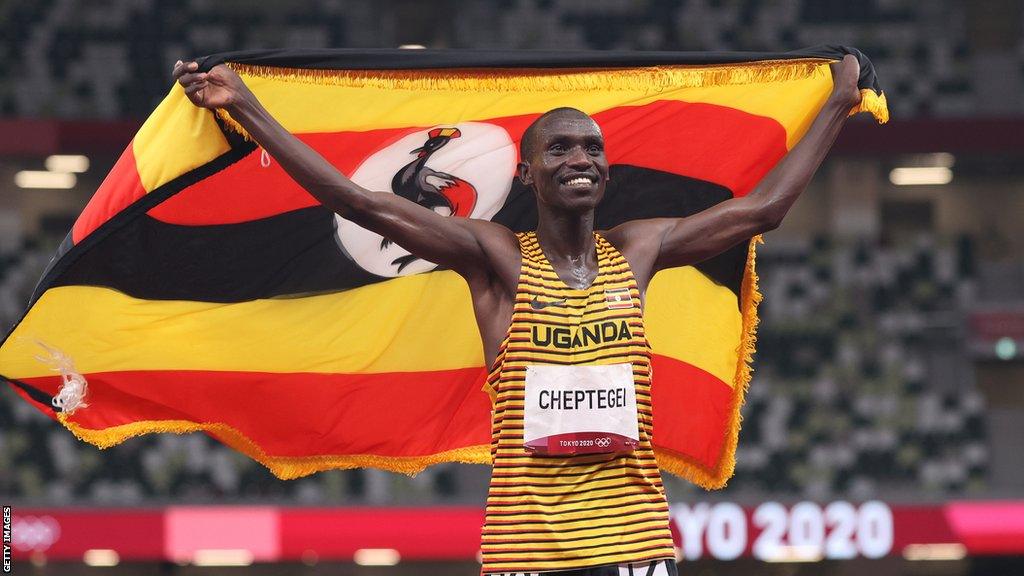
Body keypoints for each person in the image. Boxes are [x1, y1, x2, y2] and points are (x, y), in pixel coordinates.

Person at [174, 54, 861, 576]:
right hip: (526, 550)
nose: (580, 158)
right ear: (528, 174)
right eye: (559, 148)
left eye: (592, 148)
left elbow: (762, 211)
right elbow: (364, 206)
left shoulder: (641, 248)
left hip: (636, 544)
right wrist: (246, 107)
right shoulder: (494, 256)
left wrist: (837, 102)